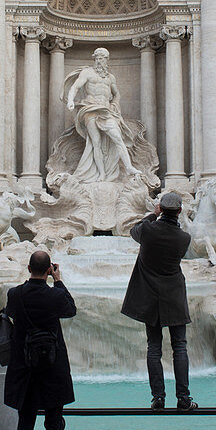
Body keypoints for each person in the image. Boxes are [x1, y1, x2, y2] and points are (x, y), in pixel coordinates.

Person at [120, 191, 197, 410]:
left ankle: (158, 398)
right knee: (179, 347)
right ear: (180, 211)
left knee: (154, 348)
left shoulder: (148, 230)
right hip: (173, 295)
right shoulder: (184, 238)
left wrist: (152, 215)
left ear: (160, 209)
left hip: (150, 296)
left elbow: (133, 230)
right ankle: (183, 398)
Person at [4, 250, 76, 430]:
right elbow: (70, 309)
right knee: (54, 427)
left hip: (25, 369)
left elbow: (11, 315)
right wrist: (59, 280)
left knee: (24, 427)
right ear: (48, 270)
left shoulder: (15, 294)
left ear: (28, 269)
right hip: (52, 369)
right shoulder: (55, 296)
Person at [64, 48, 141, 182]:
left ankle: (128, 167)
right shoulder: (87, 73)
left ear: (107, 60)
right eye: (98, 58)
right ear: (94, 59)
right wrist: (70, 100)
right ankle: (101, 174)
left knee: (118, 138)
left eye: (103, 58)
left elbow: (116, 94)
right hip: (90, 109)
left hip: (106, 110)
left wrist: (115, 105)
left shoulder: (111, 78)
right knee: (96, 143)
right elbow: (75, 87)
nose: (100, 61)